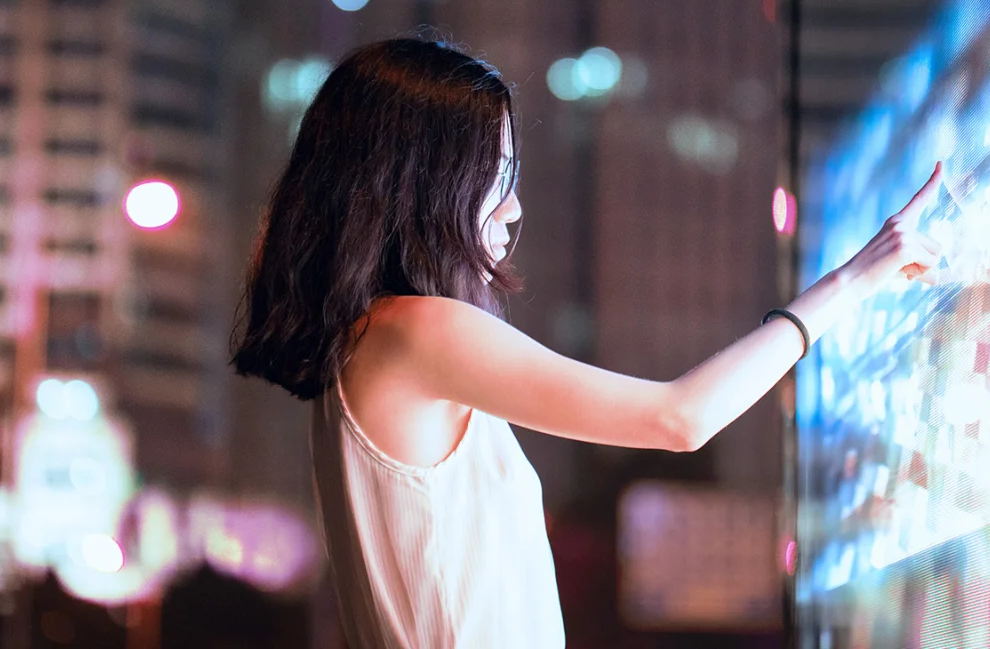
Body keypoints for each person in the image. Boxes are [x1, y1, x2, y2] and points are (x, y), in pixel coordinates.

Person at [231, 37, 942, 648]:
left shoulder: (369, 346)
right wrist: (853, 280)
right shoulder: (416, 331)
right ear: (426, 183)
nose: (512, 209)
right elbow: (678, 418)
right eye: (495, 177)